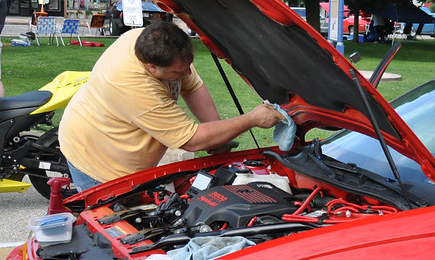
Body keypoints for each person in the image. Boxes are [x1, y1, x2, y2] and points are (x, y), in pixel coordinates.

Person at [59, 21, 282, 190]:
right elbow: (191, 140)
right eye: (179, 71)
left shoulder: (155, 43)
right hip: (97, 161)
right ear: (152, 68)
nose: (186, 73)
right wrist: (252, 119)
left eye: (188, 66)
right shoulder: (132, 84)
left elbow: (193, 87)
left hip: (125, 148)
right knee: (117, 234)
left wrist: (218, 137)